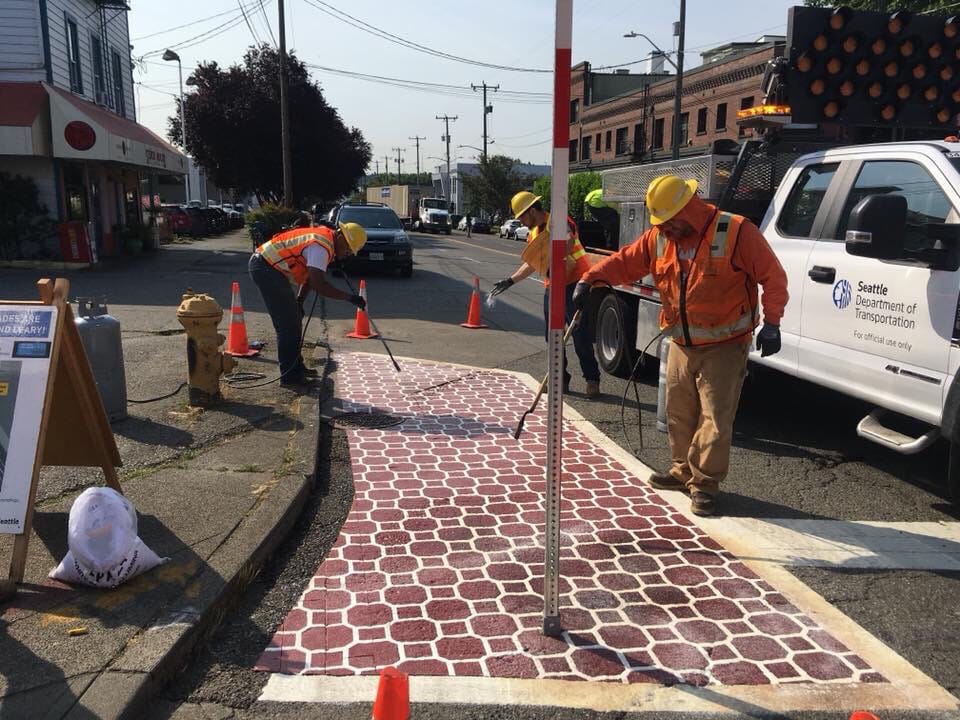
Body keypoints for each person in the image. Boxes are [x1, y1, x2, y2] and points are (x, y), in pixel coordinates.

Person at [573, 174, 788, 516]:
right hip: (680, 342)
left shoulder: (735, 231)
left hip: (724, 345)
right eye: (662, 224)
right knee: (679, 413)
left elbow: (772, 276)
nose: (666, 230)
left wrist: (773, 322)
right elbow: (627, 260)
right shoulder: (661, 237)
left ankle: (704, 485)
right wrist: (590, 279)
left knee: (714, 420)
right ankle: (681, 470)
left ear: (689, 209)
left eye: (670, 222)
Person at [491, 190, 601, 397]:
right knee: (553, 336)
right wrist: (511, 280)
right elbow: (532, 263)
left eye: (522, 217)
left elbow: (568, 241)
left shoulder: (558, 221)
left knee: (580, 335)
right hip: (553, 286)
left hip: (575, 283)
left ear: (532, 210)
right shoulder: (533, 234)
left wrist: (556, 261)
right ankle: (560, 379)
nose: (521, 222)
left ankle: (592, 379)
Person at [249, 220, 367, 386]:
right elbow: (319, 284)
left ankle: (296, 367)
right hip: (265, 267)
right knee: (287, 326)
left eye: (350, 251)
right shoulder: (320, 247)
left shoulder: (325, 243)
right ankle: (290, 377)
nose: (347, 253)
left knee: (294, 319)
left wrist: (300, 301)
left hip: (269, 268)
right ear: (340, 236)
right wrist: (349, 297)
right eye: (348, 247)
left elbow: (309, 279)